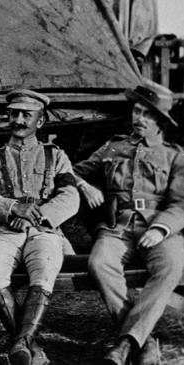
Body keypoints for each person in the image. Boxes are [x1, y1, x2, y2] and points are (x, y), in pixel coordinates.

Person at [73, 81, 184, 365]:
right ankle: (141, 342)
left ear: (160, 122)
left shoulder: (175, 155)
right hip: (117, 228)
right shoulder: (114, 147)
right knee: (99, 263)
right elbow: (70, 172)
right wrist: (83, 185)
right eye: (136, 111)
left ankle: (124, 345)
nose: (139, 119)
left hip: (159, 230)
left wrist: (160, 229)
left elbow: (181, 203)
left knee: (172, 264)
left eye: (147, 115)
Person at [0, 89, 79, 365]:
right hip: (4, 232)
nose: (19, 120)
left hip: (43, 231)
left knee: (45, 266)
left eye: (26, 115)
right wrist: (12, 209)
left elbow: (70, 196)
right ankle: (30, 344)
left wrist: (37, 216)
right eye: (14, 114)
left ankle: (19, 343)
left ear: (40, 121)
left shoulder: (55, 156)